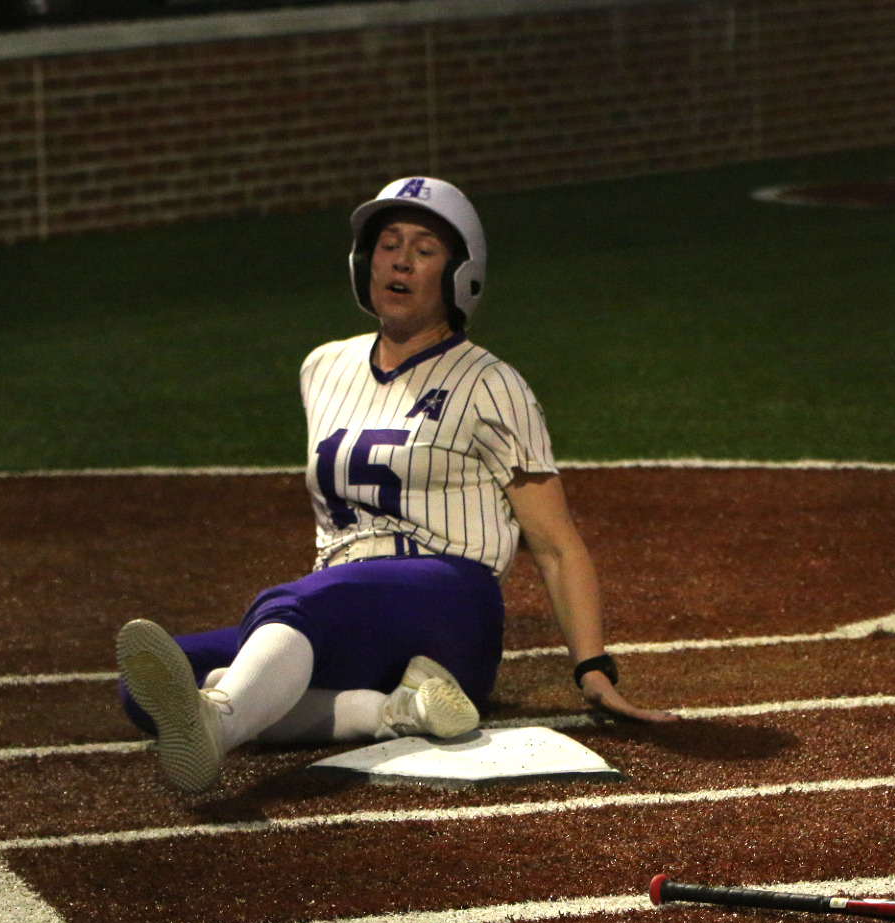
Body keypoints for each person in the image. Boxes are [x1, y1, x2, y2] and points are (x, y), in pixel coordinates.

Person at [117, 176, 675, 794]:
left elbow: (554, 541)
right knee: (148, 689)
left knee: (294, 606)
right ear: (364, 263)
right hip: (350, 611)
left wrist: (593, 667)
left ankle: (217, 723)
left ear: (460, 274)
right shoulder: (322, 366)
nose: (401, 260)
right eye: (388, 243)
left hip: (451, 607)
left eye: (425, 247)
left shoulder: (491, 383)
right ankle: (394, 711)